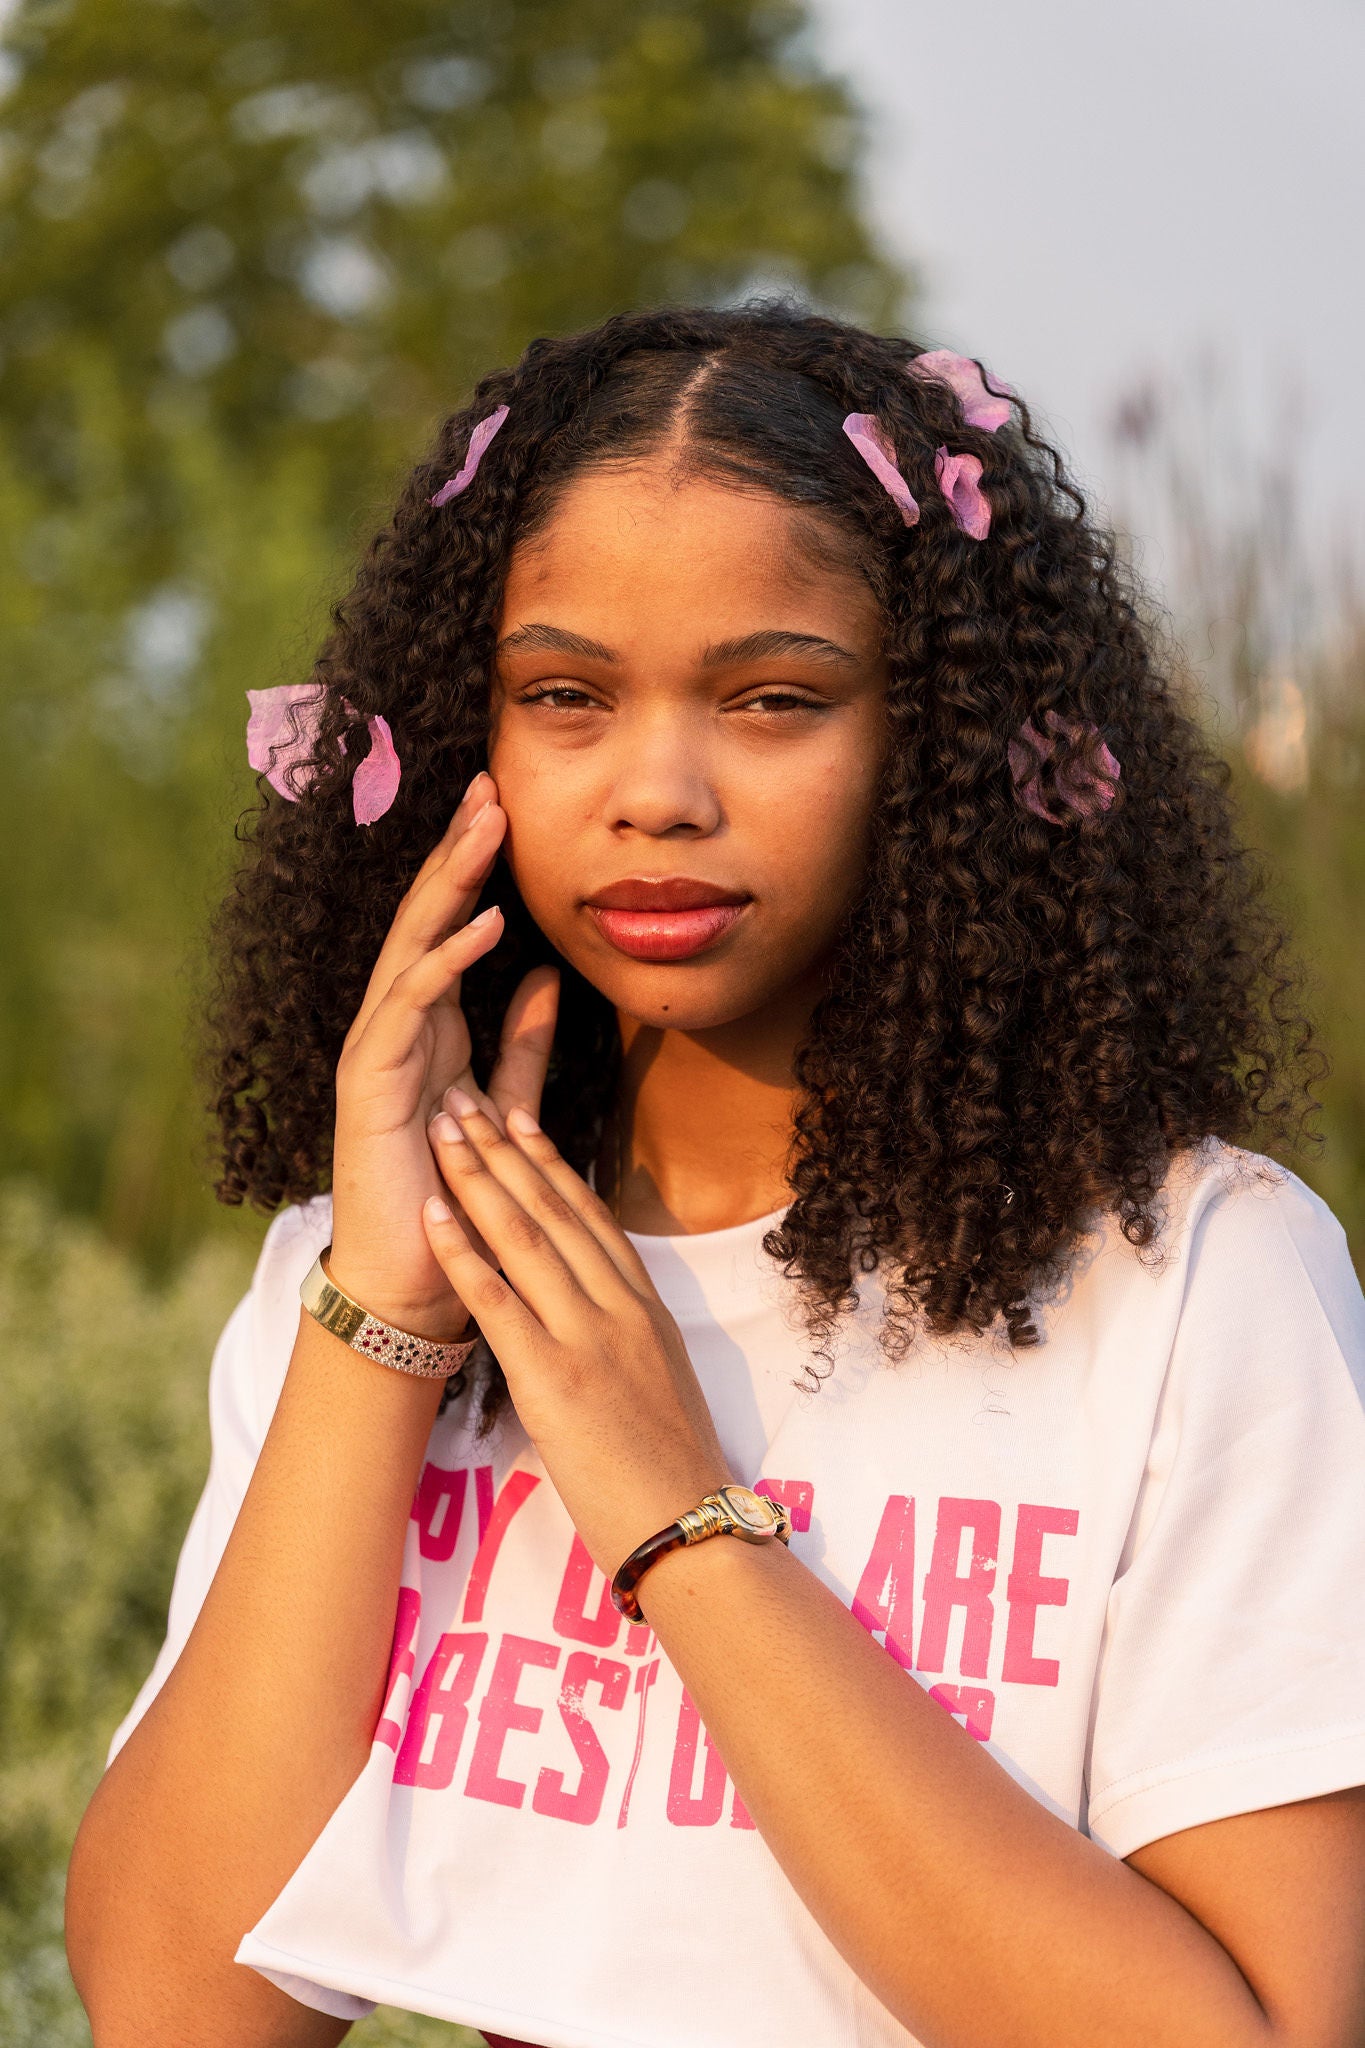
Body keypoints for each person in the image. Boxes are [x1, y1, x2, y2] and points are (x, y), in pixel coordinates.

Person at [66, 303, 1365, 2048]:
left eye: (772, 699)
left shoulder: (1187, 1275)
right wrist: (380, 1318)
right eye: (564, 697)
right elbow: (177, 2014)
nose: (655, 790)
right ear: (478, 745)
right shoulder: (376, 1275)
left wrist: (669, 1508)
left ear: (941, 746)